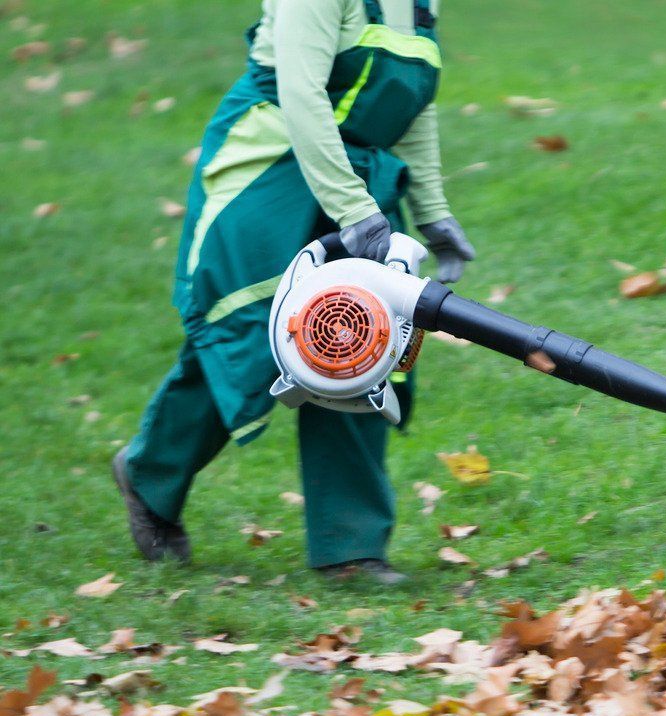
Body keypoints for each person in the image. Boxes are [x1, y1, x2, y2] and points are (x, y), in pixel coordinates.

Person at [113, 0, 473, 584]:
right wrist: (354, 209)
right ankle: (149, 474)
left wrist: (433, 214)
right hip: (270, 166)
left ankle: (350, 550)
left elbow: (414, 106)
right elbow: (302, 96)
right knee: (251, 340)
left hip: (353, 176)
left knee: (361, 340)